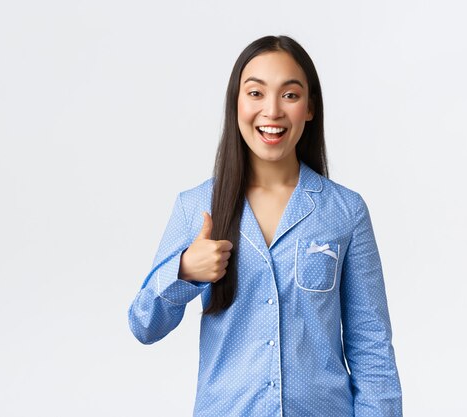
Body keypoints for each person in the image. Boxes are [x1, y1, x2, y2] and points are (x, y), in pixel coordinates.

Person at [128, 35, 403, 416]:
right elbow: (144, 324)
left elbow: (371, 345)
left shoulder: (345, 211)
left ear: (309, 108)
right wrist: (185, 272)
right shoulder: (195, 207)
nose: (272, 110)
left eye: (290, 95)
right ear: (236, 103)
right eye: (256, 93)